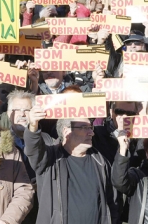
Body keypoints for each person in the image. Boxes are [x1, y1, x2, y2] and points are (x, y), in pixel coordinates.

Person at [25, 87, 119, 224]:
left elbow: (112, 203)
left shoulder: (100, 162)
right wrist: (33, 126)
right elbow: (34, 149)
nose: (91, 132)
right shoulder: (50, 159)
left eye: (90, 127)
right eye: (84, 127)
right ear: (66, 130)